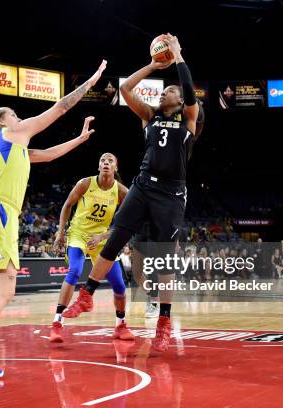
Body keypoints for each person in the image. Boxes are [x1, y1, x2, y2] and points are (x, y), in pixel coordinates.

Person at [0, 59, 107, 381]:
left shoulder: (5, 147)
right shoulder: (13, 131)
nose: (21, 118)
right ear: (3, 121)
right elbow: (61, 106)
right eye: (14, 114)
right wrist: (91, 81)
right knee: (5, 291)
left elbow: (47, 154)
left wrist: (79, 140)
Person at [64, 35, 202, 352]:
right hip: (143, 185)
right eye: (164, 89)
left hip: (170, 194)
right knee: (114, 239)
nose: (164, 92)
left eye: (170, 91)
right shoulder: (149, 118)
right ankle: (86, 296)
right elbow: (126, 90)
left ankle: (164, 323)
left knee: (166, 261)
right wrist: (153, 65)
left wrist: (179, 56)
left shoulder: (190, 121)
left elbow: (190, 91)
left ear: (180, 103)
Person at [49, 153, 132, 343]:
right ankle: (56, 323)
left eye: (110, 161)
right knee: (75, 270)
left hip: (101, 238)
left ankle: (121, 325)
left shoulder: (121, 192)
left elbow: (126, 221)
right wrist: (61, 233)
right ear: (98, 166)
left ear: (115, 168)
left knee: (119, 284)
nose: (106, 163)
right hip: (79, 234)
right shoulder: (85, 183)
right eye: (103, 160)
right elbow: (67, 205)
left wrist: (103, 236)